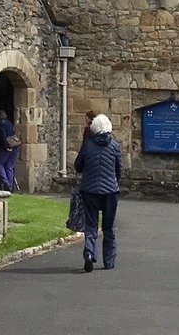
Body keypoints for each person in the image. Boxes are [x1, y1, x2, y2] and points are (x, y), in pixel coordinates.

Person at [74, 112, 121, 271]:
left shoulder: (87, 145)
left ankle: (89, 252)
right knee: (109, 226)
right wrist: (115, 183)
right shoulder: (114, 145)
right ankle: (109, 261)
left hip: (90, 189)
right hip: (110, 192)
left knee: (91, 224)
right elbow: (118, 169)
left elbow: (78, 166)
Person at [0, 108, 19, 192]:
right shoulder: (9, 123)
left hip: (7, 147)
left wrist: (6, 146)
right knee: (9, 166)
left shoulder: (0, 124)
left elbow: (2, 136)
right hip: (15, 146)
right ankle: (10, 187)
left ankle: (5, 183)